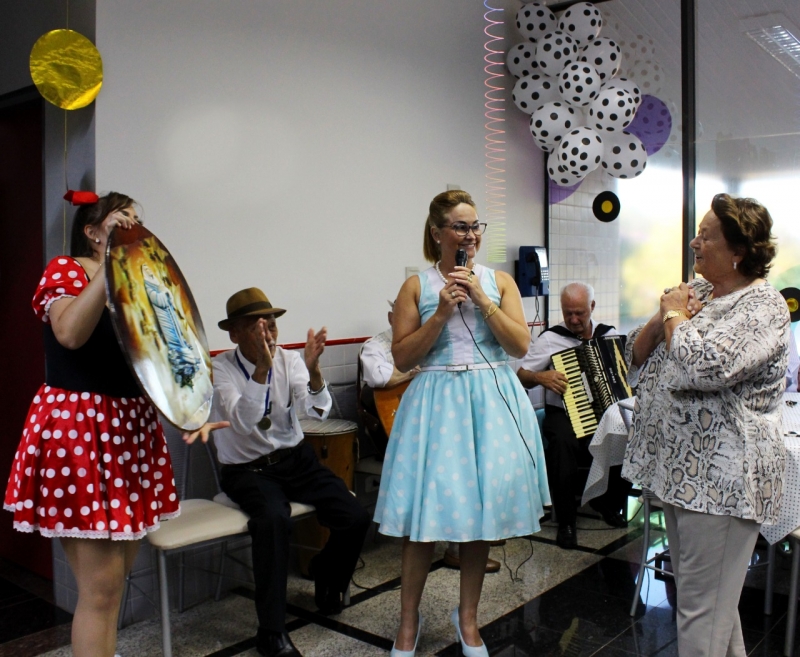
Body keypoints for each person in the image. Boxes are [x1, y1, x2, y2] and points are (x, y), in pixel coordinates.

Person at [3, 191, 225, 657]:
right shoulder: (67, 269)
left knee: (114, 583)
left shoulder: (142, 282)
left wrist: (189, 412)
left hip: (130, 431)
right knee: (101, 590)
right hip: (82, 429)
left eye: (136, 218)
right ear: (92, 231)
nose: (131, 224)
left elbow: (163, 359)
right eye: (121, 216)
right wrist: (109, 265)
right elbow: (68, 333)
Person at [374, 190, 550, 657]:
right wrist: (441, 313)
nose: (470, 236)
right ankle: (408, 622)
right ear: (437, 233)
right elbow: (402, 357)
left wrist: (481, 299)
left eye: (475, 227)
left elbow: (518, 347)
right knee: (422, 522)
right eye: (460, 227)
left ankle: (467, 619)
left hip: (491, 404)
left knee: (480, 518)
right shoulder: (417, 286)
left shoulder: (500, 281)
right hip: (436, 404)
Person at [623, 193, 789, 657]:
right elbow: (635, 355)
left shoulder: (764, 307)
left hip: (722, 481)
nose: (694, 243)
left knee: (701, 615)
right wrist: (666, 311)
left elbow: (706, 368)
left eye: (706, 236)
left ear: (739, 250)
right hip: (682, 475)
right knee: (714, 608)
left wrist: (676, 316)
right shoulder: (701, 293)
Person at [196, 288, 371, 657]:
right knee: (273, 521)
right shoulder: (220, 370)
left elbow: (316, 411)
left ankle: (325, 571)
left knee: (355, 515)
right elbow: (243, 423)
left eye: (272, 325)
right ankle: (271, 632)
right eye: (257, 327)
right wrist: (262, 369)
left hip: (295, 460)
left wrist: (314, 370)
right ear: (235, 334)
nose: (268, 334)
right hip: (247, 471)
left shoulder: (290, 360)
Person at [359, 300, 501, 574]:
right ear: (391, 317)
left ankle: (469, 539)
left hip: (435, 423)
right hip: (399, 430)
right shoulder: (375, 346)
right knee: (446, 468)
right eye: (405, 316)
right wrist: (415, 372)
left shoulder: (430, 336)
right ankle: (453, 546)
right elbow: (378, 378)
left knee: (464, 461)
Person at [517, 282, 632, 550]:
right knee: (563, 444)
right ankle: (566, 522)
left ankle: (608, 502)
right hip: (563, 413)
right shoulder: (550, 339)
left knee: (629, 433)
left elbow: (625, 373)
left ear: (592, 307)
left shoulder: (608, 335)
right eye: (568, 313)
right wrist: (540, 377)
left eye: (579, 313)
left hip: (604, 412)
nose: (573, 319)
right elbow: (521, 375)